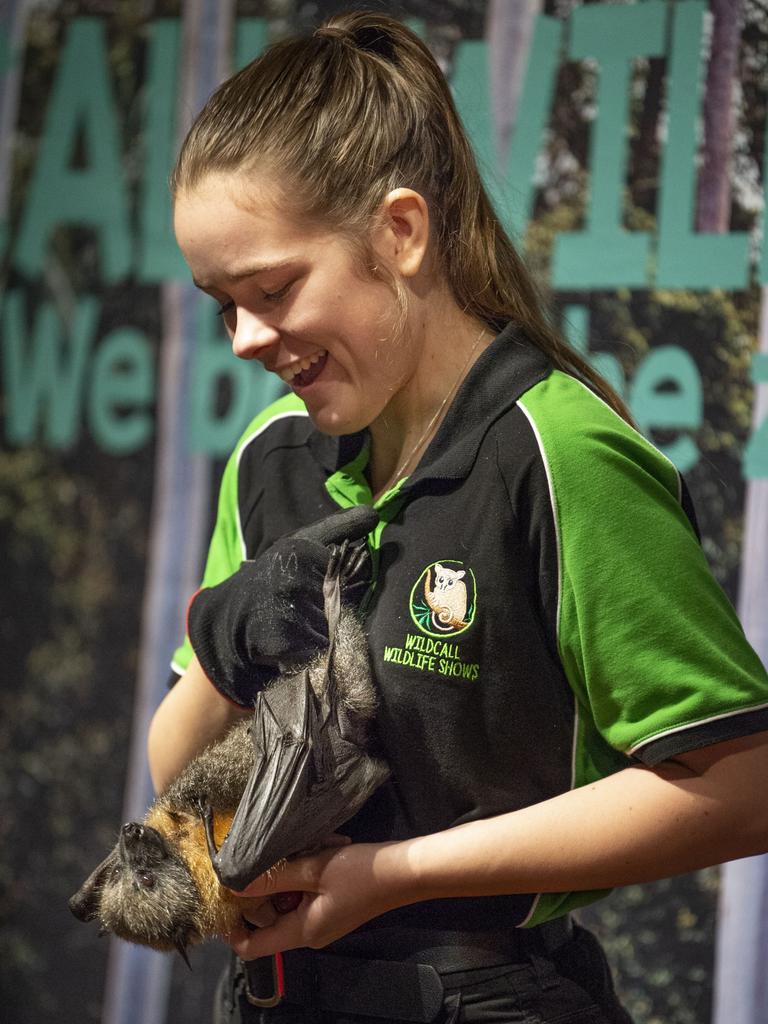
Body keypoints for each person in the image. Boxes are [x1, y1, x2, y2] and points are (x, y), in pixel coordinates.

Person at [148, 11, 768, 1024]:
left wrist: (396, 873)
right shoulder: (271, 455)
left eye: (271, 289)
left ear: (400, 230)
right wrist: (222, 652)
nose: (246, 337)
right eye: (222, 302)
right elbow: (181, 776)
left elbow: (746, 787)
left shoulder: (560, 452)